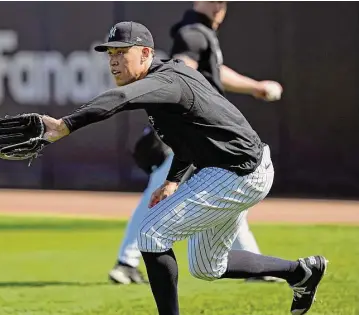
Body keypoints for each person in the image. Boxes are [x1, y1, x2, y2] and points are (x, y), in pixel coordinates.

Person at [41, 21, 328, 315]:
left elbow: (120, 99)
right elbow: (189, 137)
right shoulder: (166, 79)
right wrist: (173, 180)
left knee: (151, 234)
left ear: (145, 53)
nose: (114, 60)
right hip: (236, 169)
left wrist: (67, 124)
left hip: (238, 172)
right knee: (207, 266)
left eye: (121, 52)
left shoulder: (165, 81)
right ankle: (301, 272)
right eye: (110, 53)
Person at [108, 1, 284, 284]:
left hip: (201, 133)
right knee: (160, 189)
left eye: (222, 2)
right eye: (212, 1)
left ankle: (255, 265)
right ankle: (127, 261)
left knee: (229, 197)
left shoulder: (202, 33)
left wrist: (255, 87)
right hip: (189, 131)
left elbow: (216, 70)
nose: (218, 6)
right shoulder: (192, 33)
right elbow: (180, 74)